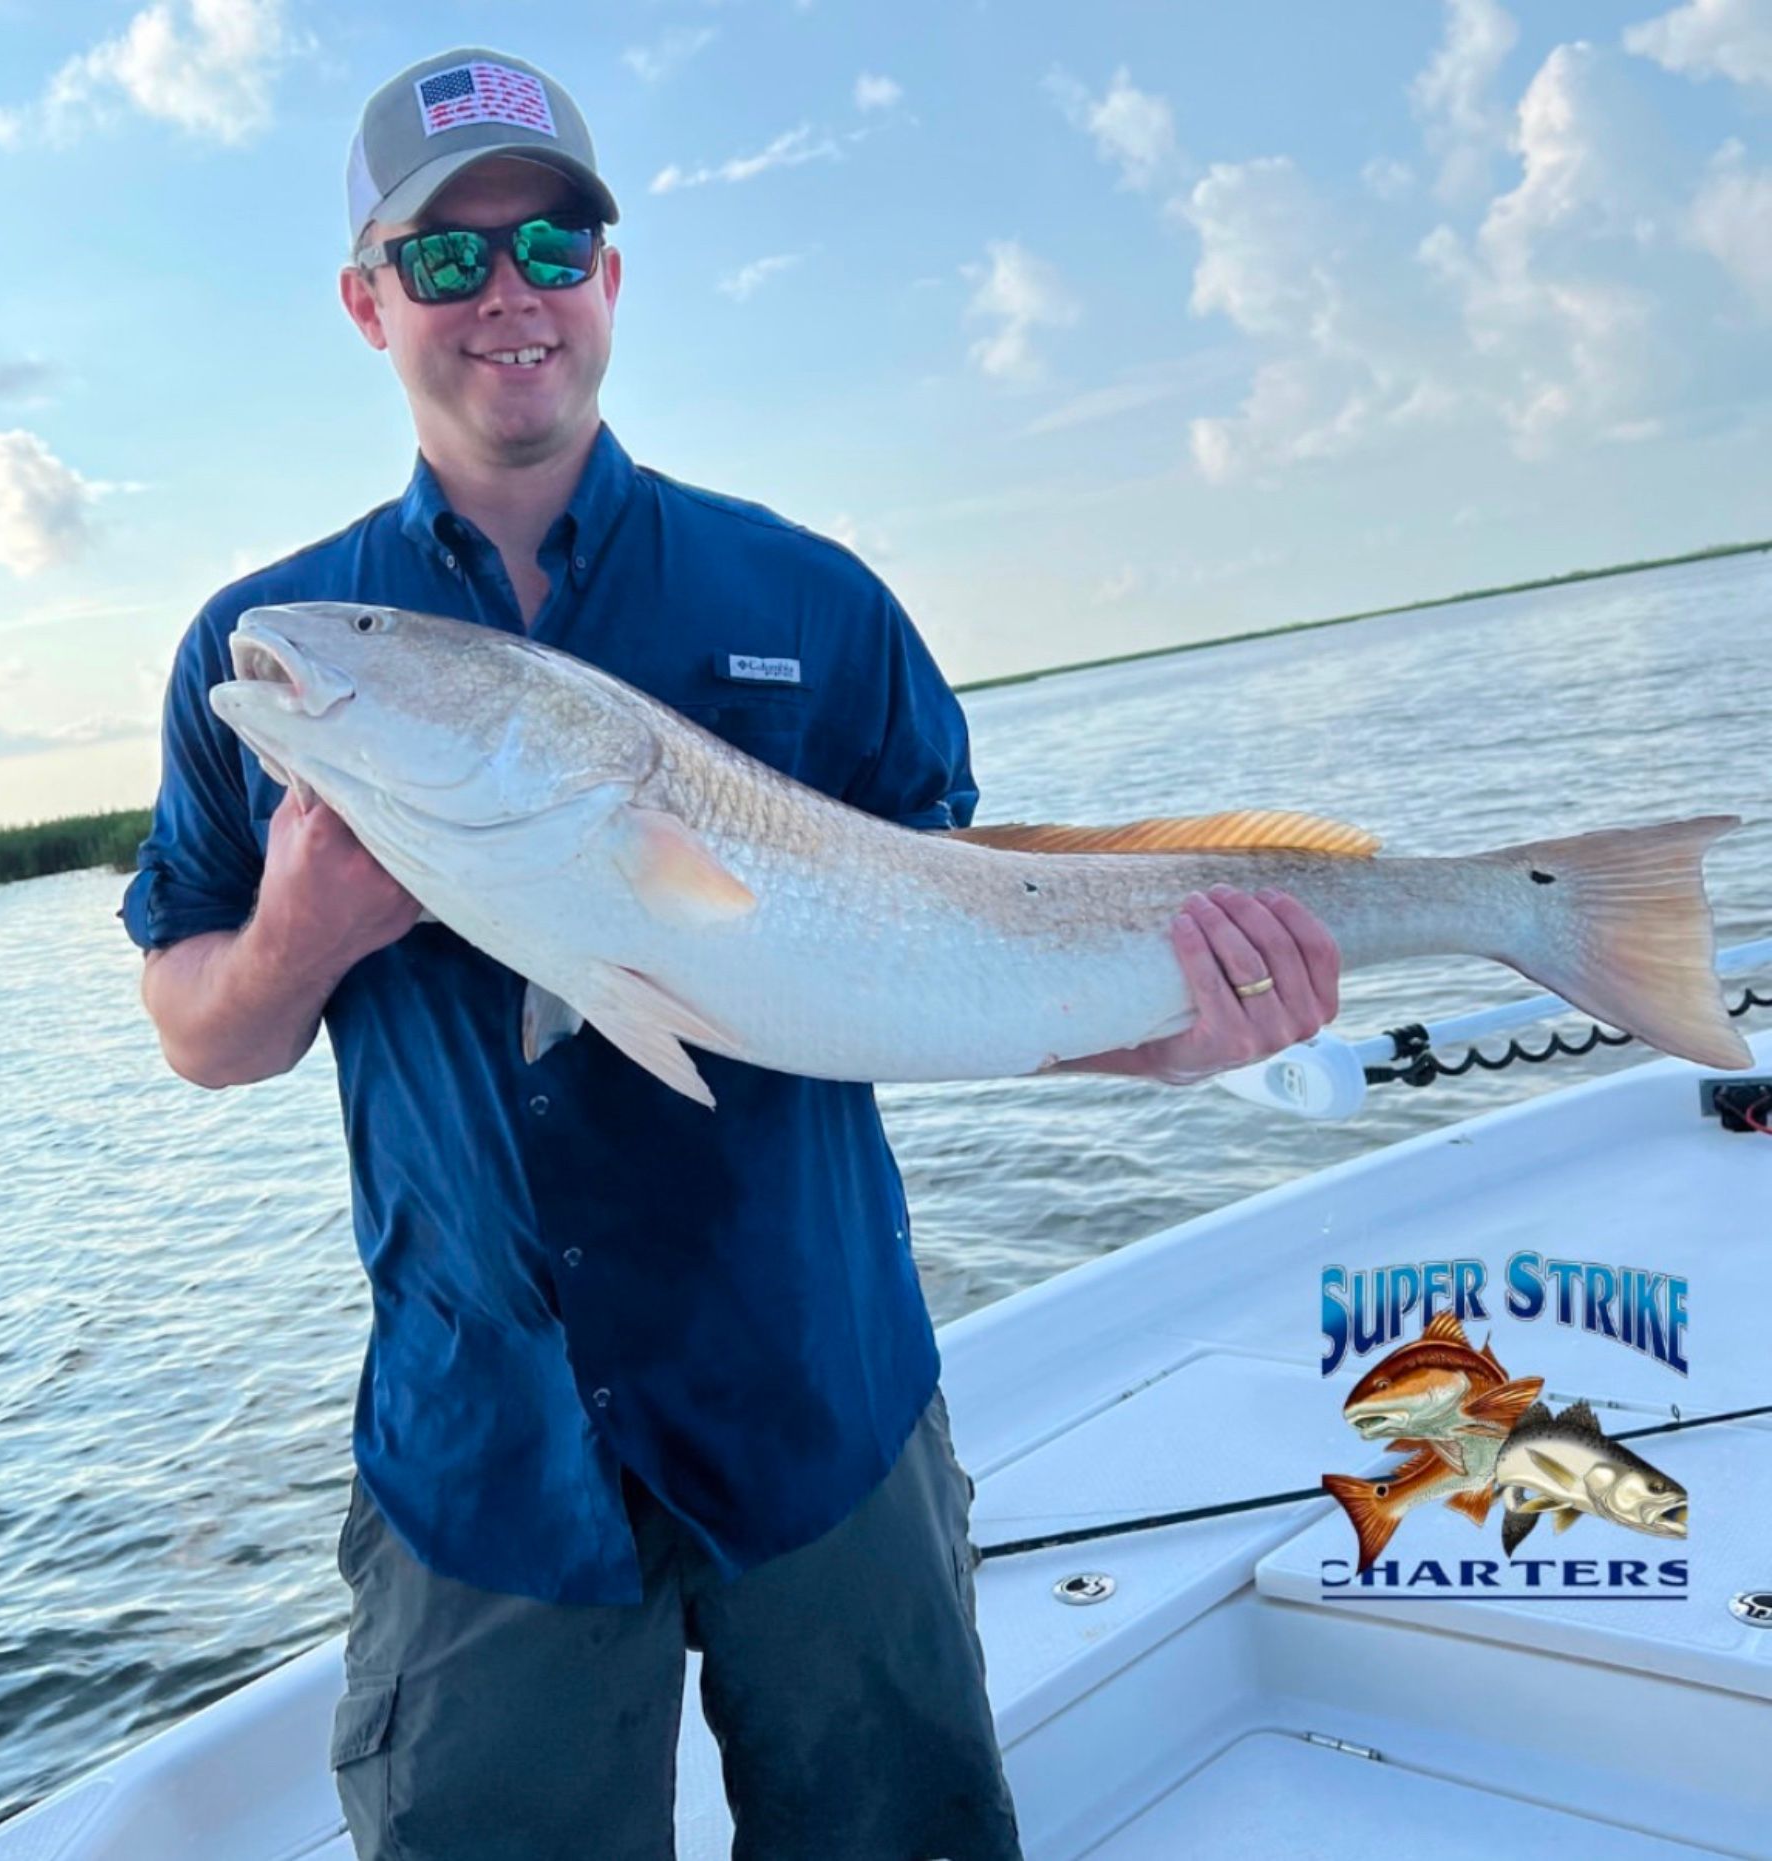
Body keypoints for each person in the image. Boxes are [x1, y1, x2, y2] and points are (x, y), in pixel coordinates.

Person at [120, 45, 1341, 1861]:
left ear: (610, 274)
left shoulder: (810, 601)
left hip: (820, 1406)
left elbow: (951, 949)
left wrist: (1161, 1025)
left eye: (552, 240)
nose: (506, 293)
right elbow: (200, 1029)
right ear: (368, 299)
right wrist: (299, 934)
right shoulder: (275, 648)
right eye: (444, 260)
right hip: (486, 1456)